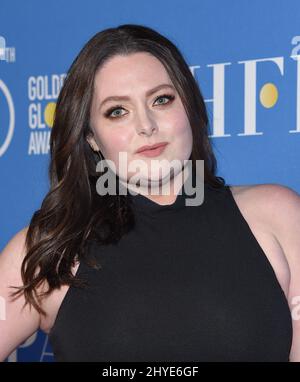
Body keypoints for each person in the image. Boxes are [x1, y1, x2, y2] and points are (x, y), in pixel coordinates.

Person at [0, 24, 299, 362]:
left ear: (190, 107)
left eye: (161, 99)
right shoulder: (49, 252)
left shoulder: (278, 216)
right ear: (92, 138)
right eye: (117, 111)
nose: (146, 124)